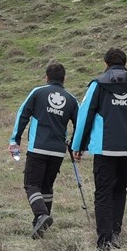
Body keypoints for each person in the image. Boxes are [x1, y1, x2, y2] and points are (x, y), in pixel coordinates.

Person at [71, 48, 127, 251]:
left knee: (103, 193)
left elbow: (85, 116)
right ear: (125, 63)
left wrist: (78, 146)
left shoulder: (98, 85)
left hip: (104, 148)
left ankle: (104, 243)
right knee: (120, 189)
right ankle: (115, 234)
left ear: (105, 63)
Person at [10, 62, 79, 239]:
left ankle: (41, 215)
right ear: (64, 79)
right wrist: (75, 145)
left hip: (38, 148)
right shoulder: (71, 99)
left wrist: (15, 140)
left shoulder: (38, 92)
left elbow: (23, 114)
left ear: (46, 77)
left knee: (31, 184)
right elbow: (80, 125)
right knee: (47, 186)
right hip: (58, 151)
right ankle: (39, 227)